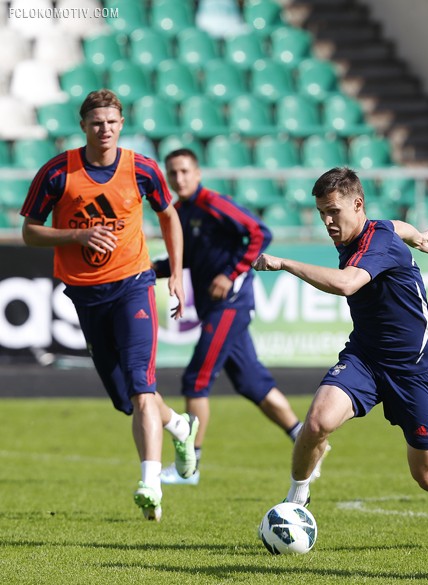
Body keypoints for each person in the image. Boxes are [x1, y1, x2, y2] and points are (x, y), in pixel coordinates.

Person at [251, 167, 428, 550]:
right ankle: (296, 501)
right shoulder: (372, 229)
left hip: (414, 371)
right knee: (316, 423)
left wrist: (284, 263)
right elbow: (396, 225)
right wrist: (420, 236)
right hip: (365, 359)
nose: (327, 221)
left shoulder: (377, 243)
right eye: (321, 213)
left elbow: (347, 283)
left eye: (333, 212)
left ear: (356, 204)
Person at [19, 89, 199, 522]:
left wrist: (174, 273)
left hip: (134, 285)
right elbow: (29, 232)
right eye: (97, 122)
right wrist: (77, 235)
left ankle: (150, 483)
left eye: (112, 122)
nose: (105, 129)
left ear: (122, 124)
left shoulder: (141, 168)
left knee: (141, 388)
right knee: (125, 398)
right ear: (83, 126)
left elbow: (168, 216)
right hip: (86, 294)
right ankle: (179, 426)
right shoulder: (58, 173)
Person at [154, 148, 308, 486]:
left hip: (231, 303)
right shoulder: (180, 211)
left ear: (197, 173)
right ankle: (305, 438)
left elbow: (259, 232)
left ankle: (189, 468)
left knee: (196, 380)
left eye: (184, 171)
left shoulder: (213, 202)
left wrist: (231, 273)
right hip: (215, 307)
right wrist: (149, 269)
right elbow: (186, 258)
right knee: (252, 383)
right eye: (173, 173)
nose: (179, 178)